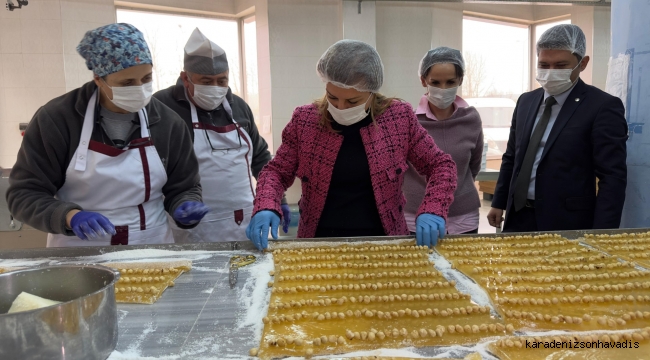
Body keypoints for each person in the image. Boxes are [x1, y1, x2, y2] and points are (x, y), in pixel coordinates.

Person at [6, 23, 209, 247]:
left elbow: (184, 186)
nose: (140, 88)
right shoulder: (58, 119)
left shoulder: (167, 123)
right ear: (98, 79)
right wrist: (69, 216)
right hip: (79, 247)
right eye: (127, 83)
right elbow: (23, 194)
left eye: (146, 78)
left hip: (150, 244)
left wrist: (185, 203)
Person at [245, 40, 457, 249]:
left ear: (372, 92)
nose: (340, 107)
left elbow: (441, 165)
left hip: (384, 242)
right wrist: (266, 205)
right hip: (318, 242)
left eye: (353, 102)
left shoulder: (398, 119)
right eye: (332, 97)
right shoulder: (305, 120)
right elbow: (276, 171)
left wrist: (433, 207)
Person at [154, 28, 290, 242]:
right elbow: (151, 165)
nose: (216, 88)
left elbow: (261, 158)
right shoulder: (163, 107)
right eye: (206, 82)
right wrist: (176, 203)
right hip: (191, 228)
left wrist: (276, 199)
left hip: (245, 221)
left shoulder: (239, 107)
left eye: (222, 81)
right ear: (185, 78)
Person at [487, 24, 627, 232]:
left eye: (561, 65)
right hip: (518, 217)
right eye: (544, 65)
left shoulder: (602, 107)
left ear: (583, 63)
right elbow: (512, 157)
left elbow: (612, 178)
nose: (551, 72)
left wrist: (602, 233)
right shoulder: (526, 101)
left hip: (567, 222)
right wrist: (499, 202)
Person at [403, 47, 483, 235]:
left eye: (450, 82)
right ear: (424, 80)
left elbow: (474, 166)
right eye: (436, 82)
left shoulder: (471, 119)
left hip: (464, 216)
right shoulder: (410, 121)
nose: (443, 89)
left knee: (464, 264)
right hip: (417, 216)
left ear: (460, 80)